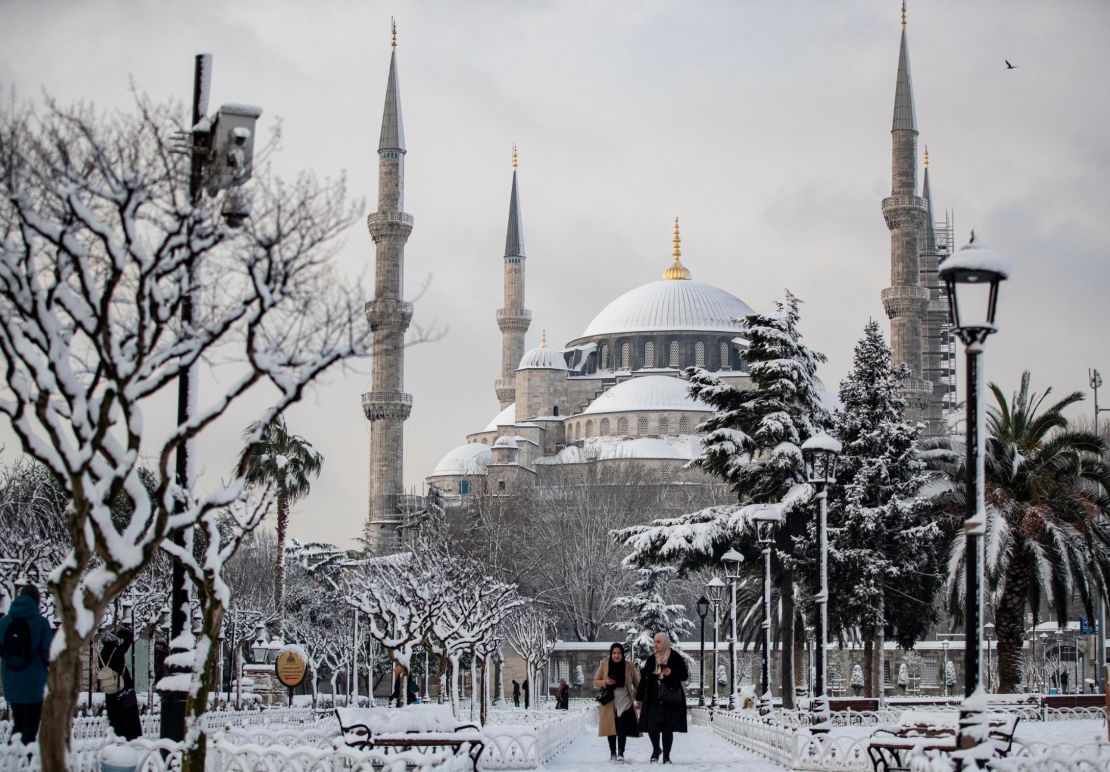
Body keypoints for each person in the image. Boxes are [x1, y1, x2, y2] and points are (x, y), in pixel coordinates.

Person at [0, 585, 53, 744]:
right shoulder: (41, 623)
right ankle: (24, 762)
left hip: (11, 681)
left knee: (18, 723)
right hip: (34, 683)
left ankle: (12, 758)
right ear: (36, 601)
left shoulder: (4, 622)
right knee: (30, 727)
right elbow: (49, 652)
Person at [635, 632, 688, 764]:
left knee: (667, 728)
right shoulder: (651, 659)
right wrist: (639, 698)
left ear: (665, 642)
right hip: (652, 697)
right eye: (654, 642)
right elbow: (644, 679)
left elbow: (684, 675)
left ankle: (667, 756)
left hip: (669, 697)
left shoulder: (675, 657)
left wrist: (671, 672)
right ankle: (655, 750)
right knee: (652, 727)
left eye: (658, 642)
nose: (656, 644)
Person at [594, 642, 640, 762]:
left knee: (622, 728)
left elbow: (637, 683)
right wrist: (605, 682)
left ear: (622, 654)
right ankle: (613, 752)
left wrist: (639, 697)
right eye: (614, 653)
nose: (616, 655)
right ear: (611, 654)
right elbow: (595, 681)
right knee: (611, 728)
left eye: (619, 652)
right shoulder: (604, 664)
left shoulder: (628, 665)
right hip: (609, 701)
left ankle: (621, 753)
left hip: (624, 700)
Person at [99, 625, 142, 740]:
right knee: (128, 716)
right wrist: (120, 632)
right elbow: (129, 638)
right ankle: (130, 738)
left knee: (114, 717)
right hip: (123, 689)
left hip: (110, 690)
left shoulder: (101, 655)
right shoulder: (117, 651)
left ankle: (116, 736)